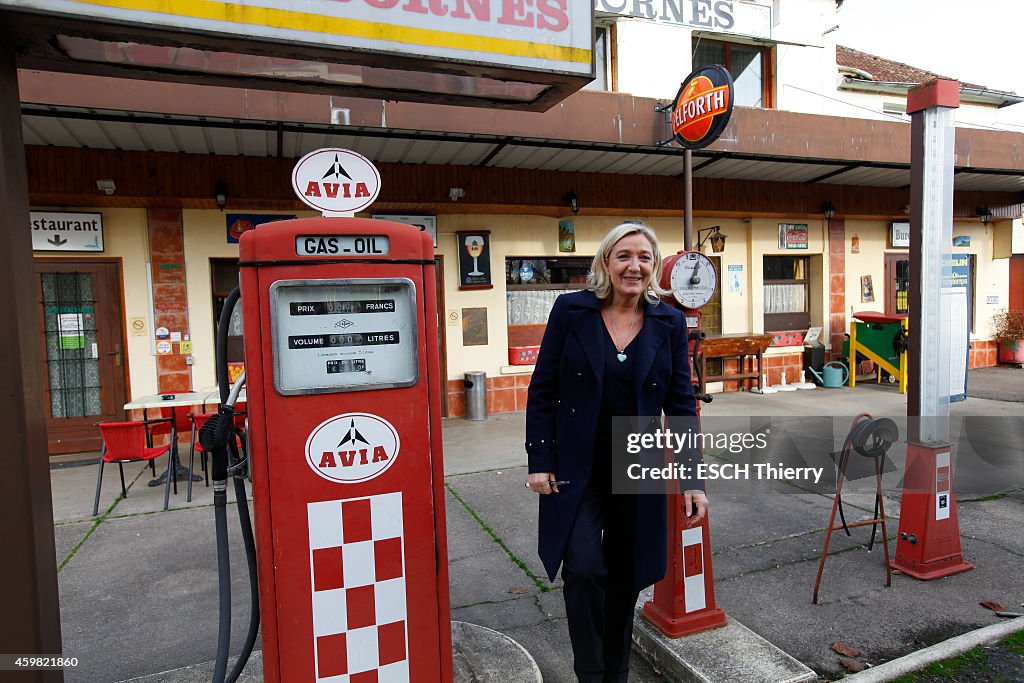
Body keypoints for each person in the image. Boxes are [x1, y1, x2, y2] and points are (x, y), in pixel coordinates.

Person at [525, 223, 708, 682]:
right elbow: (543, 387)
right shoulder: (572, 311)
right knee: (585, 571)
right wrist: (540, 459)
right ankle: (591, 674)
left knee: (625, 577)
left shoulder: (666, 321)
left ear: (654, 267)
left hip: (637, 456)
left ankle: (617, 674)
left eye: (645, 257)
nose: (635, 265)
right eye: (624, 255)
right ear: (606, 262)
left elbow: (681, 404)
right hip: (577, 458)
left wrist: (692, 480)